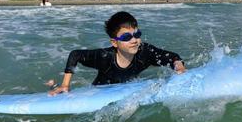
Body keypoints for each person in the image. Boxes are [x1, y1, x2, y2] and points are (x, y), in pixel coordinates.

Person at [49, 11, 186, 95]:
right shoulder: (104, 57)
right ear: (114, 43)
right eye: (126, 37)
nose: (134, 40)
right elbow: (75, 55)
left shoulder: (145, 52)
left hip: (125, 88)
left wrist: (179, 66)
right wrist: (65, 85)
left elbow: (172, 57)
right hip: (99, 92)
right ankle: (54, 85)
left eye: (137, 34)